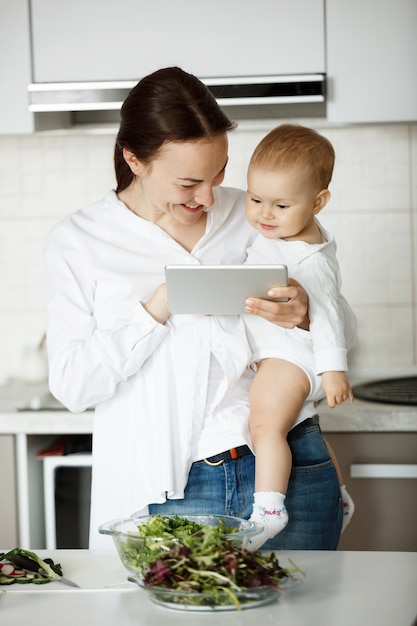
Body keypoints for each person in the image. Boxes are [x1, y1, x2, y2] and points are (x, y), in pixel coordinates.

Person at [44, 67, 357, 551]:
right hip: (176, 489)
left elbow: (341, 321)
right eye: (189, 182)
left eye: (219, 174)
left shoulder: (258, 212)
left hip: (291, 461)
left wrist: (306, 312)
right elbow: (72, 386)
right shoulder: (80, 241)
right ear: (135, 160)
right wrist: (157, 308)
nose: (209, 198)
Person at [243, 124, 355, 549]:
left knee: (264, 426)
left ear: (318, 202)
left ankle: (269, 510)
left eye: (281, 205)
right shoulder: (289, 236)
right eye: (255, 200)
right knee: (301, 427)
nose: (264, 215)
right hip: (284, 353)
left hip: (288, 356)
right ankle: (339, 499)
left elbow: (327, 315)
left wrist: (334, 372)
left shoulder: (310, 259)